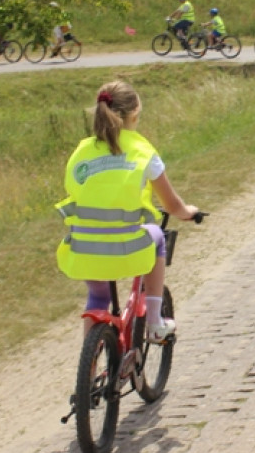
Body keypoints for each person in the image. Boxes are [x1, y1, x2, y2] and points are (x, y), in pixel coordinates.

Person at [56, 78, 200, 341]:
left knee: (97, 297)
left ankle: (89, 369)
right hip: (127, 247)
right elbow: (172, 205)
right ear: (135, 113)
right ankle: (155, 324)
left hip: (85, 247)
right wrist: (187, 212)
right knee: (157, 238)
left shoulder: (81, 152)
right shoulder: (142, 151)